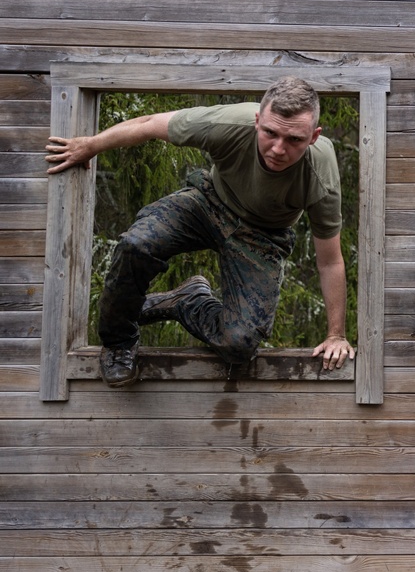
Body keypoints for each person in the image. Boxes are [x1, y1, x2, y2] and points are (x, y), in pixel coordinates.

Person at [46, 76, 355, 387]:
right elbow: (150, 123)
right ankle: (118, 343)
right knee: (137, 244)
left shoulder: (320, 176)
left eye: (294, 140)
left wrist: (336, 335)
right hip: (208, 203)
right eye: (270, 133)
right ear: (257, 120)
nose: (278, 148)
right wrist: (89, 146)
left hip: (263, 235)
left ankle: (187, 301)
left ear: (313, 137)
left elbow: (329, 261)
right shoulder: (227, 124)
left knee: (239, 344)